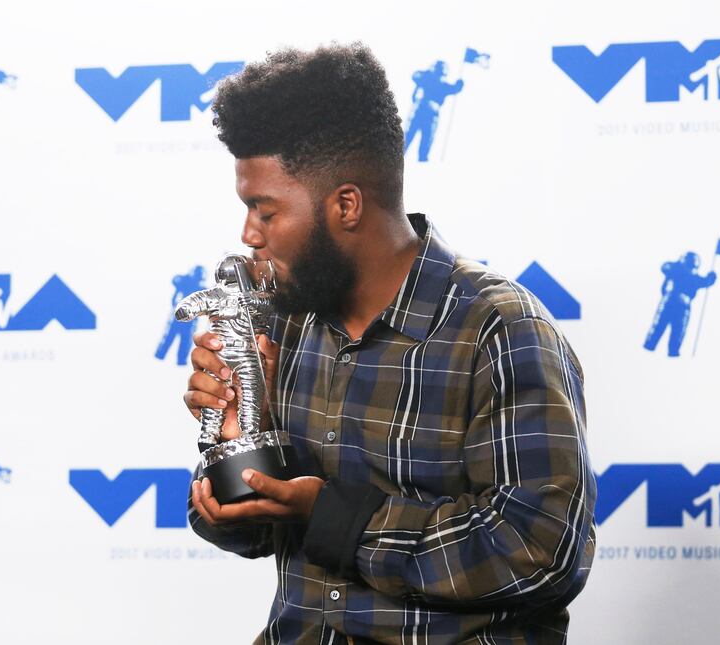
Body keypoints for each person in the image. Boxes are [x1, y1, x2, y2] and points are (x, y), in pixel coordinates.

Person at [183, 43, 595, 644]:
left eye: (264, 211)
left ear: (345, 205)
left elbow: (540, 549)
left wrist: (332, 516)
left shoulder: (496, 328)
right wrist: (240, 448)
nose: (249, 234)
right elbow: (248, 531)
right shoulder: (286, 323)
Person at [643, 251, 716, 357]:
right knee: (658, 328)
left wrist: (711, 277)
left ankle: (671, 354)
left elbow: (705, 282)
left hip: (682, 307)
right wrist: (710, 278)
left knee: (677, 333)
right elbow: (664, 267)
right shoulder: (675, 270)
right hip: (669, 303)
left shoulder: (693, 277)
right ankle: (649, 349)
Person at [404, 61, 464, 162]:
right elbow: (415, 76)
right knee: (408, 140)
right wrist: (459, 85)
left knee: (425, 145)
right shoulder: (427, 79)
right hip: (420, 112)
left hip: (430, 116)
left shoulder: (442, 85)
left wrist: (460, 84)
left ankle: (422, 165)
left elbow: (455, 89)